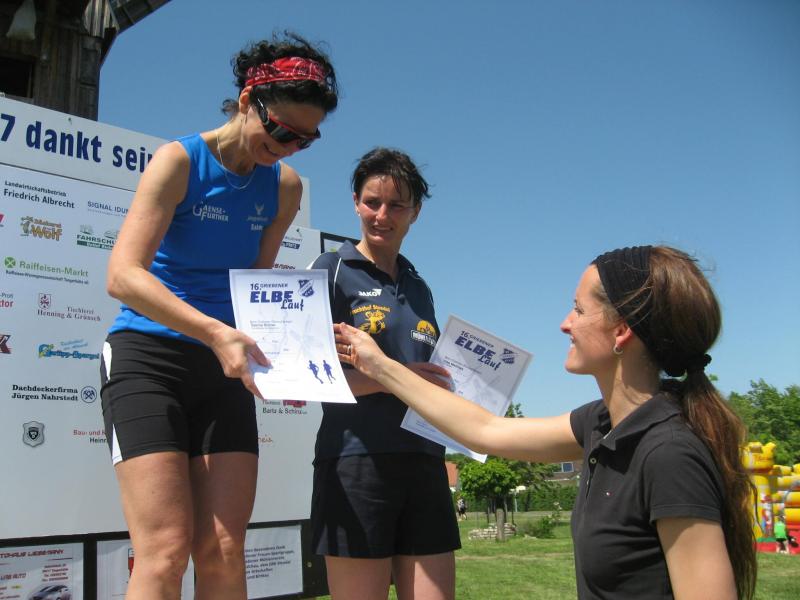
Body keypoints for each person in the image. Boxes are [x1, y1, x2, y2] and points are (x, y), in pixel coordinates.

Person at [335, 246, 757, 600]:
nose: (565, 323)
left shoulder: (669, 455)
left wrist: (382, 367)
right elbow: (486, 431)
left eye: (578, 309)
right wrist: (380, 367)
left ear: (621, 332)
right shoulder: (601, 424)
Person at [100, 33, 338, 600]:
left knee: (226, 550)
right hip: (148, 358)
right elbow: (123, 276)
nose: (288, 147)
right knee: (164, 552)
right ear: (248, 99)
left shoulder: (284, 187)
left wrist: (304, 337)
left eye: (306, 139)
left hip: (224, 367)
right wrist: (213, 331)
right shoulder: (179, 161)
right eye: (282, 130)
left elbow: (255, 289)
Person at [309, 148, 460, 600]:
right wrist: (397, 377)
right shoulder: (330, 271)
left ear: (415, 212)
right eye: (372, 202)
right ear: (356, 202)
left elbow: (431, 376)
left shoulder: (419, 285)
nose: (382, 215)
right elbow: (314, 377)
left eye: (396, 205)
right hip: (356, 463)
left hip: (425, 460)